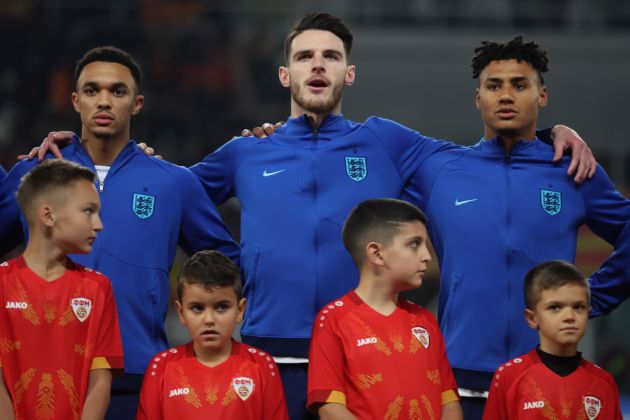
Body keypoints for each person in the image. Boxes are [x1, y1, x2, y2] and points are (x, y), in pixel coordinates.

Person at [21, 14, 596, 419]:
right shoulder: (248, 150)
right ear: (284, 76)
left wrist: (547, 136)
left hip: (365, 358)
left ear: (349, 74)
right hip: (271, 358)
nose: (316, 66)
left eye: (330, 57)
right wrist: (106, 155)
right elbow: (160, 191)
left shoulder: (388, 144)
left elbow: (482, 157)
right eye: (303, 56)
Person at [0, 46, 240, 418]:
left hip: (136, 372)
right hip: (40, 370)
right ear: (76, 101)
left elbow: (230, 265)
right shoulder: (36, 175)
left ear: (137, 102)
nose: (104, 101)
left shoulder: (174, 183)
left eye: (118, 91)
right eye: (93, 91)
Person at [402, 36, 630, 418]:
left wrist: (593, 296)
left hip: (550, 379)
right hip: (459, 381)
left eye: (519, 85)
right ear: (478, 98)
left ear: (542, 96)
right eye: (494, 85)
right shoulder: (439, 168)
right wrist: (277, 132)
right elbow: (355, 149)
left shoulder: (574, 171)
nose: (506, 95)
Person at [307, 198, 462, 419]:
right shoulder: (333, 319)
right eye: (414, 244)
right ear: (377, 253)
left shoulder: (425, 320)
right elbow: (331, 409)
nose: (427, 256)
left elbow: (449, 402)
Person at [0, 159, 123, 419]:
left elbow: (100, 380)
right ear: (48, 215)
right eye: (88, 211)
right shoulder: (2, 283)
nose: (99, 224)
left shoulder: (98, 287)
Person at [136, 250, 289, 419]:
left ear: (240, 310)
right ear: (181, 312)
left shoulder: (261, 365)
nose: (209, 319)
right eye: (197, 308)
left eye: (221, 307)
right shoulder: (161, 368)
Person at [482, 261, 623, 419]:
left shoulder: (603, 381)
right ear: (532, 318)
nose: (569, 317)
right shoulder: (509, 376)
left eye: (578, 307)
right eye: (555, 307)